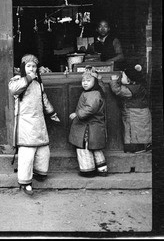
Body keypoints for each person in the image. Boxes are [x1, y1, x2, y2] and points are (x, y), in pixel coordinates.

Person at [8, 54, 60, 195]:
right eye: (28, 66)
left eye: (34, 66)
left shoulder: (39, 83)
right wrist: (29, 78)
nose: (32, 68)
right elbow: (14, 89)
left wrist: (52, 113)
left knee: (43, 151)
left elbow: (44, 100)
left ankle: (40, 172)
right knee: (27, 153)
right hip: (25, 122)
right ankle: (26, 181)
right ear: (23, 67)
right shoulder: (17, 80)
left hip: (39, 121)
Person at [68, 65, 108, 177]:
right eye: (83, 80)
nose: (85, 83)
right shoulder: (96, 92)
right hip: (93, 127)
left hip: (87, 127)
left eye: (88, 80)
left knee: (84, 147)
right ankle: (102, 169)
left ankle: (88, 170)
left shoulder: (93, 94)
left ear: (94, 82)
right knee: (95, 148)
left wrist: (77, 114)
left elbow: (91, 108)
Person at [109, 64, 152, 153]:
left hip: (135, 113)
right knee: (138, 130)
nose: (120, 78)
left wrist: (113, 81)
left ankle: (140, 148)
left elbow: (118, 91)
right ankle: (141, 146)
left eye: (123, 76)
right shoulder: (138, 86)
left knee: (135, 131)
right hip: (138, 112)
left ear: (129, 80)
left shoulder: (132, 89)